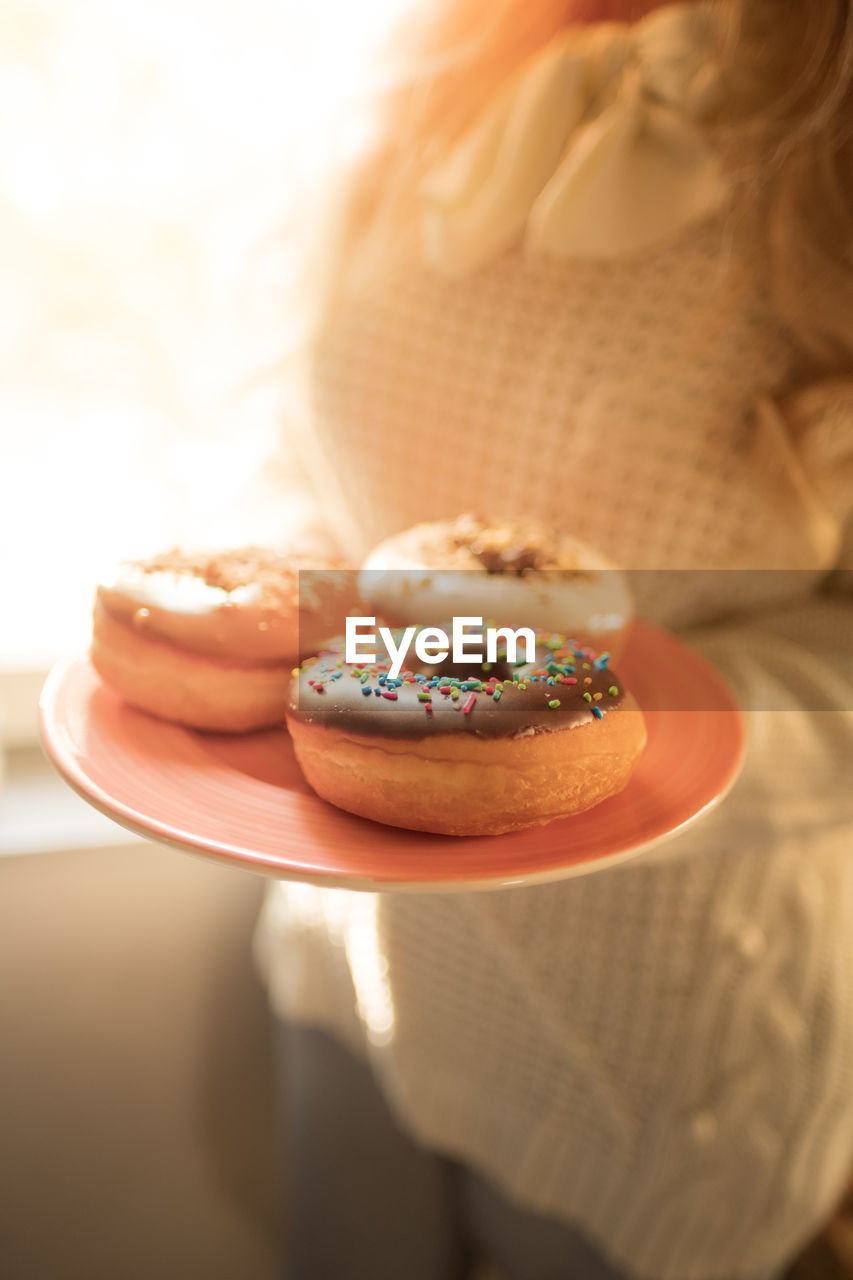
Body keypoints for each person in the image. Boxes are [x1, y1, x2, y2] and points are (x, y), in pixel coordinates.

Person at [253, 1, 853, 1277]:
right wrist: (268, 632)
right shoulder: (449, 51)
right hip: (346, 955)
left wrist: (575, 730)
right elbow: (316, 450)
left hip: (660, 1084)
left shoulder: (825, 148)